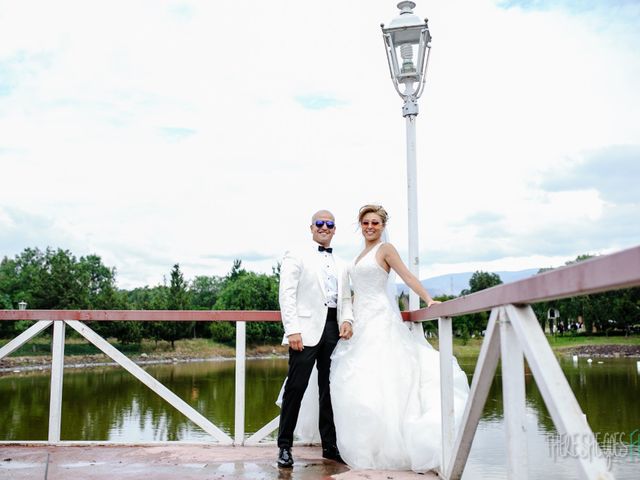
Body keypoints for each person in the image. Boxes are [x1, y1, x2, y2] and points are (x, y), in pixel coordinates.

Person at [330, 204, 470, 472]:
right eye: (366, 223)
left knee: (382, 378)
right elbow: (356, 291)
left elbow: (406, 276)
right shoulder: (360, 255)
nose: (370, 227)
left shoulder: (386, 250)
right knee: (360, 380)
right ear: (360, 225)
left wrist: (428, 299)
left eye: (375, 223)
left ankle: (392, 444)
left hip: (380, 319)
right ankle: (368, 443)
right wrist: (348, 320)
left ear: (383, 227)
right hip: (361, 320)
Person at [276, 209, 354, 468]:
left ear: (334, 229)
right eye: (319, 223)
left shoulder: (342, 263)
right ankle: (284, 447)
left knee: (329, 390)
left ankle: (330, 446)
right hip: (305, 331)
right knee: (295, 388)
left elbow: (345, 299)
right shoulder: (296, 254)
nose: (324, 227)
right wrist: (292, 330)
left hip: (334, 329)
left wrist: (347, 320)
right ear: (311, 228)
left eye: (329, 224)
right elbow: (286, 294)